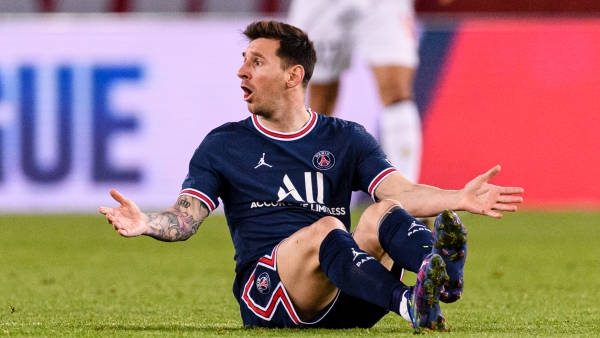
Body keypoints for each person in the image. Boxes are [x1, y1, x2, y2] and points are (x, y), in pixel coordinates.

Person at [99, 20, 523, 332]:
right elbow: (186, 217)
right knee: (327, 228)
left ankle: (441, 276)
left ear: (293, 75)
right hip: (271, 296)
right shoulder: (224, 145)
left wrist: (456, 198)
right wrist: (147, 223)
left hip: (349, 286)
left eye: (256, 62)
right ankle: (412, 305)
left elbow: (403, 192)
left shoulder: (346, 139)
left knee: (384, 211)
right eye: (243, 61)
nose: (241, 72)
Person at [287, 0, 454, 184]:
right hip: (321, 5)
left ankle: (407, 194)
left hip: (382, 5)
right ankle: (310, 188)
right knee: (321, 100)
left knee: (396, 92)